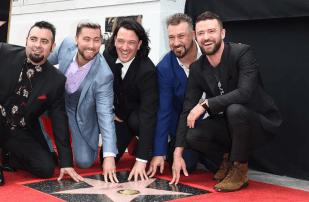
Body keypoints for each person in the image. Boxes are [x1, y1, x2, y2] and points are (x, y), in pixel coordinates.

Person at [0, 21, 83, 186]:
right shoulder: (4, 52)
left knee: (46, 169)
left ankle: (8, 157)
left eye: (44, 41)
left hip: (19, 129)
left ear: (52, 47)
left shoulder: (57, 80)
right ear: (27, 40)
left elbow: (59, 120)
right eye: (34, 39)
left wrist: (67, 162)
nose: (37, 45)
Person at [170, 12, 282, 192]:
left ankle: (239, 170)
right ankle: (228, 161)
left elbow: (244, 94)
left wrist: (206, 104)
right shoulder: (198, 68)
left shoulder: (243, 52)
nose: (206, 37)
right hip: (229, 125)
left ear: (222, 33)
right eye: (201, 33)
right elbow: (187, 109)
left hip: (260, 124)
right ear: (195, 37)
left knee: (235, 109)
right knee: (193, 135)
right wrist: (178, 152)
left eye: (211, 31)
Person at [40, 21, 118, 183]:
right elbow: (45, 61)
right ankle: (48, 150)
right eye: (86, 39)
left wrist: (109, 155)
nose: (91, 45)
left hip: (80, 115)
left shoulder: (104, 75)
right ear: (76, 39)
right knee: (29, 104)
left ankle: (88, 139)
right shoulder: (66, 45)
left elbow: (105, 114)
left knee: (84, 163)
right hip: (57, 103)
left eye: (96, 40)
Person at [147, 13, 219, 178]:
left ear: (193, 35)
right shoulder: (164, 68)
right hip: (183, 126)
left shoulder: (211, 53)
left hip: (213, 121)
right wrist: (159, 152)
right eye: (171, 37)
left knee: (220, 166)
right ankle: (192, 151)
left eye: (181, 36)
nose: (176, 43)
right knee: (188, 166)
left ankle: (206, 151)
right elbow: (164, 111)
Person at [103, 19, 159, 181]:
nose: (124, 48)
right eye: (120, 41)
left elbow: (149, 115)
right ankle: (132, 141)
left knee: (137, 120)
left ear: (139, 44)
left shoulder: (147, 70)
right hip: (120, 117)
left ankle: (144, 146)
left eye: (131, 43)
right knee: (105, 159)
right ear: (114, 40)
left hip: (140, 118)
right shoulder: (107, 56)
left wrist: (141, 161)